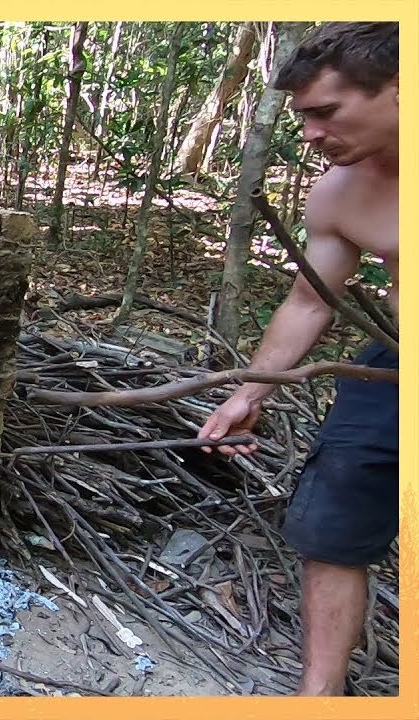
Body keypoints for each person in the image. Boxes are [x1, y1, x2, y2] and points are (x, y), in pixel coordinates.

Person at [197, 21, 398, 696]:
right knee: (331, 521)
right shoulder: (342, 193)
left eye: (325, 113)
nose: (310, 134)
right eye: (302, 116)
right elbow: (310, 303)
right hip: (394, 366)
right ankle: (321, 694)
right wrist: (247, 395)